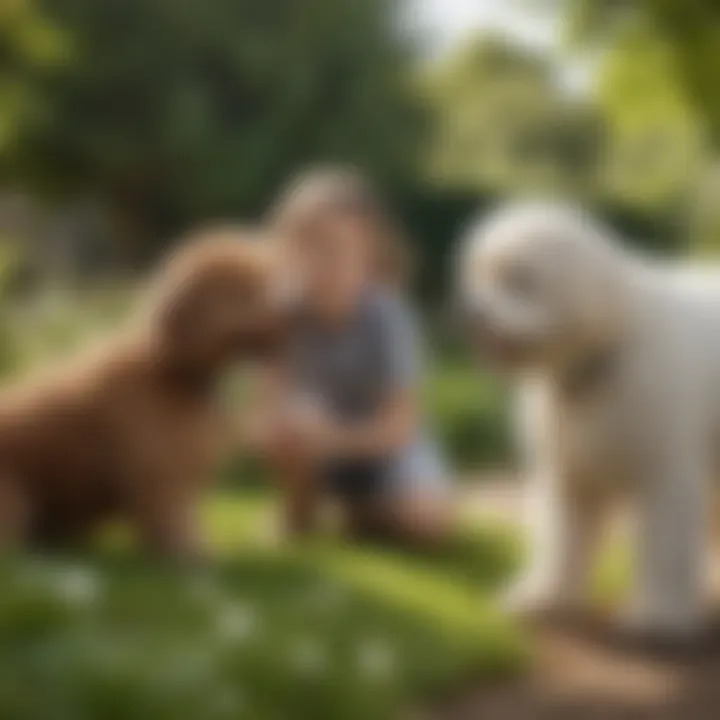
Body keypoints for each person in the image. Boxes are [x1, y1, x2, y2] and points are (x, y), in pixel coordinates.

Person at [246, 166, 451, 545]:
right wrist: (284, 427)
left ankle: (364, 509)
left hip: (386, 450)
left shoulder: (389, 317)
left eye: (337, 248)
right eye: (308, 246)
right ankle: (302, 507)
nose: (323, 262)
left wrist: (336, 439)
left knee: (425, 523)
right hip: (314, 445)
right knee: (285, 430)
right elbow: (265, 411)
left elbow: (400, 425)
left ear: (370, 251)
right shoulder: (281, 316)